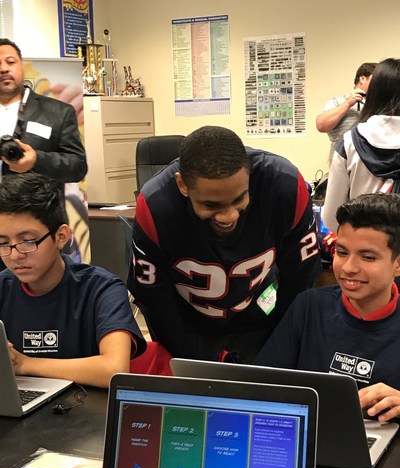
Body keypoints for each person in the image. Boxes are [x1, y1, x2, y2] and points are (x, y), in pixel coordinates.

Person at [128, 126, 320, 363]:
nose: (228, 216)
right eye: (211, 205)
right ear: (183, 186)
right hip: (188, 327)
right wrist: (186, 361)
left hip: (263, 316)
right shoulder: (156, 204)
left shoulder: (285, 186)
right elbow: (155, 300)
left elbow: (300, 282)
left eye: (239, 199)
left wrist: (280, 345)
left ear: (250, 176)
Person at [254, 193, 400, 422]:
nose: (348, 267)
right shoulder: (309, 306)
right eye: (342, 252)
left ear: (397, 264)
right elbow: (261, 385)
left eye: (368, 257)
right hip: (306, 441)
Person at [0, 173, 146, 388]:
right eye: (3, 243)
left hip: (82, 411)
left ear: (61, 237)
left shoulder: (101, 288)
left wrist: (25, 363)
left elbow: (114, 370)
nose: (15, 255)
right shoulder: (3, 287)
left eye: (28, 241)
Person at [322, 58, 400, 232]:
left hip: (366, 246)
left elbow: (331, 217)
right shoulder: (342, 104)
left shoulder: (350, 141)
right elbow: (322, 124)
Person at [0, 38, 87, 182]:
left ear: (21, 66)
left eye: (10, 62)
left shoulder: (58, 111)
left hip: (37, 203)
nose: (3, 69)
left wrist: (37, 160)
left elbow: (78, 167)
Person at [316, 62, 377, 165]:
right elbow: (321, 125)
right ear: (362, 79)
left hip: (372, 164)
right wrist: (348, 104)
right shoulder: (338, 101)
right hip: (343, 163)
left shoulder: (381, 104)